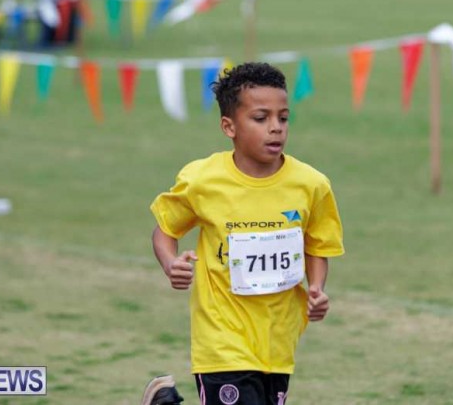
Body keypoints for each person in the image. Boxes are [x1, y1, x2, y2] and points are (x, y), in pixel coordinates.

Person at [145, 62, 344, 405]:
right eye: (261, 118)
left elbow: (317, 245)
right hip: (221, 339)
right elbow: (165, 230)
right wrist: (170, 263)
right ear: (229, 126)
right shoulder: (203, 180)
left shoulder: (311, 185)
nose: (275, 128)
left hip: (278, 340)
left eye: (283, 118)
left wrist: (316, 288)